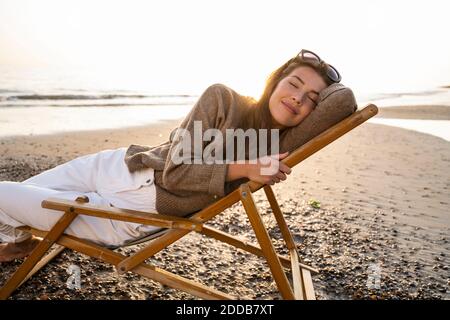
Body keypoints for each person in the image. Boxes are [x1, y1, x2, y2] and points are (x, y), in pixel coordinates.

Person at [0, 49, 348, 262]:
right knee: (16, 201)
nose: (299, 98)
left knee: (3, 196)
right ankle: (18, 243)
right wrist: (245, 168)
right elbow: (176, 171)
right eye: (294, 83)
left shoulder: (276, 146)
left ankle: (18, 238)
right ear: (274, 81)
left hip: (128, 214)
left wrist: (248, 166)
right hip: (120, 165)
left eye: (313, 98)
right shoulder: (223, 99)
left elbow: (344, 101)